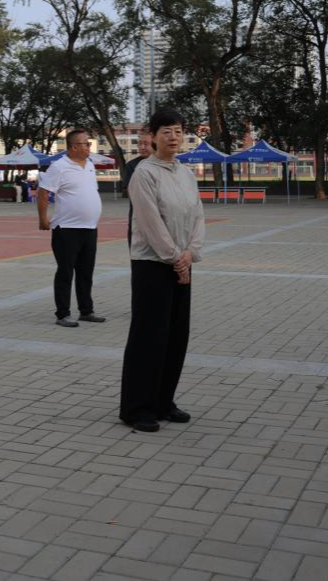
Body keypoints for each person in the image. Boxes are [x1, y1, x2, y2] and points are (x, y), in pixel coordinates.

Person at [120, 108, 204, 433]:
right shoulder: (144, 173)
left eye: (178, 131)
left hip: (181, 263)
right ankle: (137, 407)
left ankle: (163, 401)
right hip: (152, 265)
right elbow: (149, 222)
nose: (173, 137)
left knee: (175, 336)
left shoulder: (186, 174)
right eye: (166, 131)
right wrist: (174, 257)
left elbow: (197, 216)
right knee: (149, 336)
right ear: (153, 137)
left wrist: (190, 253)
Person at [38, 128, 107, 328]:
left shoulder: (90, 165)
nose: (89, 146)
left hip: (89, 228)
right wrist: (43, 219)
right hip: (66, 229)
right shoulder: (59, 167)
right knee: (66, 272)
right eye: (86, 143)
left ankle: (86, 310)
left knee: (86, 272)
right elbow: (43, 193)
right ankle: (63, 314)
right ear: (74, 147)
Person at [121, 129, 152, 243]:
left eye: (146, 144)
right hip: (138, 219)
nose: (142, 147)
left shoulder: (163, 164)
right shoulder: (132, 165)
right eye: (140, 144)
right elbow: (131, 193)